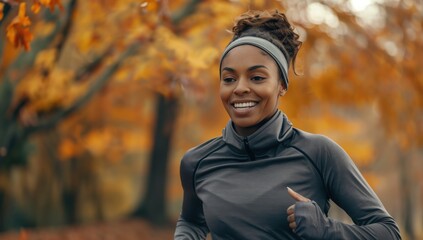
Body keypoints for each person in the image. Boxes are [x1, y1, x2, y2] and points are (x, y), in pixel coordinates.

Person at [174, 9, 401, 240]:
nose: (240, 88)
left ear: (281, 85)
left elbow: (388, 232)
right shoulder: (197, 163)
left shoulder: (319, 153)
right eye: (229, 79)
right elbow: (191, 221)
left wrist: (326, 230)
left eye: (257, 78)